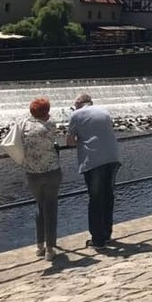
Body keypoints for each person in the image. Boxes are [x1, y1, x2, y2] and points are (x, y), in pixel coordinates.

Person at [67, 93, 121, 249]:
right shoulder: (104, 111)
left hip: (94, 160)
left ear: (78, 104)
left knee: (96, 199)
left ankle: (97, 240)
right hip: (113, 157)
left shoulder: (76, 115)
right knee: (108, 196)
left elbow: (70, 142)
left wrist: (81, 139)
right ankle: (107, 234)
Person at [21, 98, 62, 261]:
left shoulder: (24, 124)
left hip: (32, 174)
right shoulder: (50, 124)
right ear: (46, 111)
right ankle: (50, 249)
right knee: (51, 209)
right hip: (51, 172)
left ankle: (39, 246)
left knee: (40, 206)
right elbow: (53, 137)